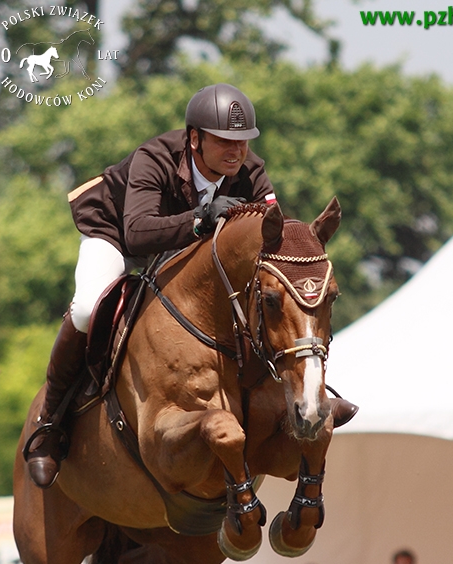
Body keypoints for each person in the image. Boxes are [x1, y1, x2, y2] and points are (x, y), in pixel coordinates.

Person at [24, 83, 275, 489]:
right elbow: (138, 233)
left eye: (243, 142)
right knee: (89, 307)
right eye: (224, 141)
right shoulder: (154, 157)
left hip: (178, 251)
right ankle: (49, 422)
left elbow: (273, 228)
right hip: (118, 237)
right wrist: (200, 217)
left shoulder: (249, 170)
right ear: (194, 138)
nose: (236, 151)